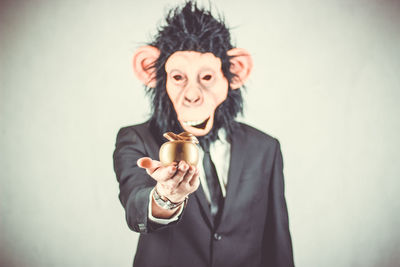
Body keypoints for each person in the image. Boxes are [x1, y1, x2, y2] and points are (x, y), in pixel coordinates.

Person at [113, 2, 294, 266]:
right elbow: (135, 208)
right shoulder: (136, 139)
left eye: (207, 77)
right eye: (178, 77)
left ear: (235, 72)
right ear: (151, 71)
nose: (192, 94)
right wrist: (166, 196)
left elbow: (277, 240)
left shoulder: (264, 147)